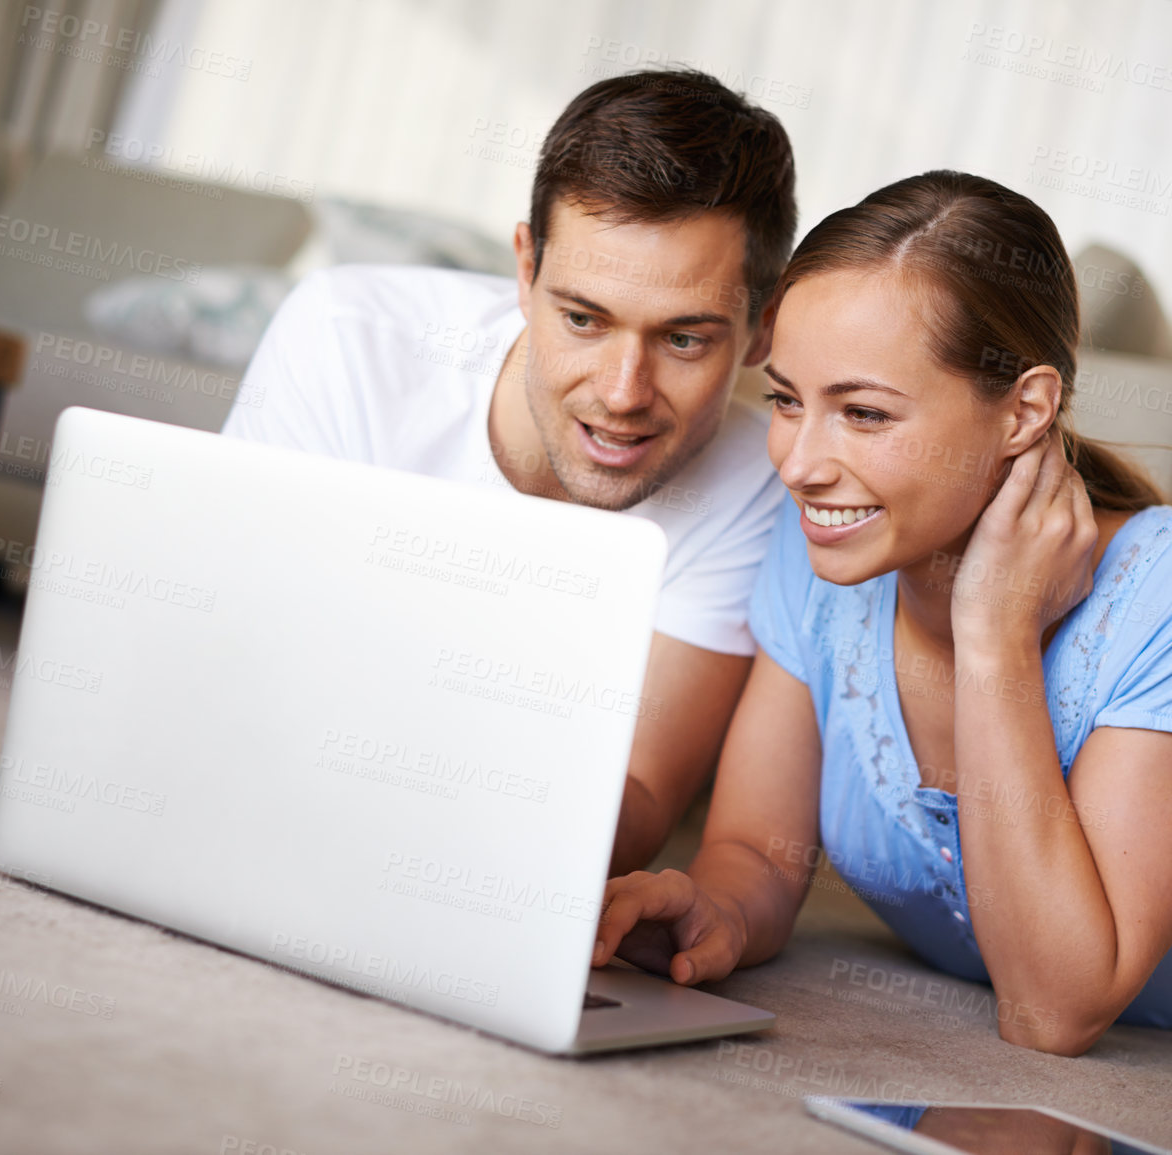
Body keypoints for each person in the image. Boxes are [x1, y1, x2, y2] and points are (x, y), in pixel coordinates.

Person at [591, 170, 1172, 1054]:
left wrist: (995, 633)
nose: (797, 463)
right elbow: (759, 852)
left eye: (863, 413)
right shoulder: (816, 560)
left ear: (1025, 410)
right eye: (787, 401)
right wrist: (711, 907)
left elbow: (1053, 1008)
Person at [224, 69, 799, 874]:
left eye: (682, 340)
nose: (621, 393)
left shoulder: (756, 479)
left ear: (762, 329)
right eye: (582, 318)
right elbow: (227, 645)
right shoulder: (345, 337)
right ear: (524, 271)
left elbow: (634, 803)